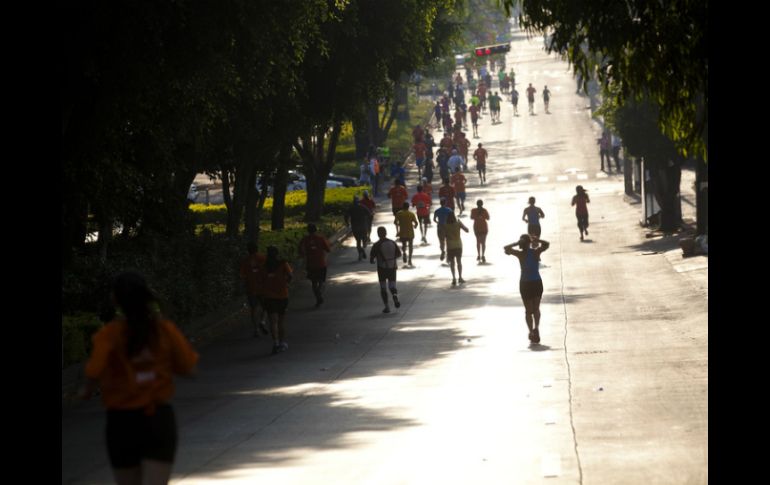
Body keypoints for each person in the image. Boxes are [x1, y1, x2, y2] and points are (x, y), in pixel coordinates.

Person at [79, 272, 199, 485]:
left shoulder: (109, 334)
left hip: (121, 422)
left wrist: (87, 390)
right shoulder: (164, 330)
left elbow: (94, 371)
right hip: (157, 419)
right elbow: (188, 368)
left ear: (115, 299)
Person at [504, 234, 551, 343]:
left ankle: (532, 330)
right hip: (535, 282)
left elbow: (506, 248)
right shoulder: (534, 252)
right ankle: (535, 328)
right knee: (535, 309)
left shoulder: (522, 254)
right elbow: (546, 244)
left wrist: (517, 243)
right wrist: (535, 240)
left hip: (526, 283)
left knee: (529, 311)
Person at [262, 246, 293, 354]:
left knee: (273, 322)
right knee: (281, 321)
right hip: (282, 295)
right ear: (277, 254)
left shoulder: (264, 266)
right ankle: (282, 343)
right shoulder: (283, 263)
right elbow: (290, 275)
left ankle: (275, 343)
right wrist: (286, 283)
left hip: (269, 297)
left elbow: (261, 280)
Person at [369, 226, 402, 313]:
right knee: (392, 286)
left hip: (382, 268)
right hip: (392, 267)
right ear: (386, 233)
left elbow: (371, 259)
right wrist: (391, 258)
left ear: (378, 234)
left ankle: (387, 307)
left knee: (383, 288)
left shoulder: (377, 245)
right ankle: (395, 296)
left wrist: (374, 260)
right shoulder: (392, 242)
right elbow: (399, 254)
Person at [298, 223, 331, 308]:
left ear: (308, 230)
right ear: (316, 230)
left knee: (313, 282)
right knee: (321, 281)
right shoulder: (321, 238)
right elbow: (328, 249)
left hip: (310, 264)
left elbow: (301, 252)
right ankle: (319, 292)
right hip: (321, 263)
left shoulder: (304, 240)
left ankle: (317, 296)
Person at [239, 241, 268, 337]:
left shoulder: (245, 261)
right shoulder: (263, 258)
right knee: (266, 306)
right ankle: (263, 321)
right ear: (257, 249)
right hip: (263, 287)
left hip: (251, 288)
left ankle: (256, 329)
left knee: (254, 309)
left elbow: (242, 276)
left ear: (248, 250)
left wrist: (243, 286)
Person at [444, 212, 469, 286]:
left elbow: (443, 236)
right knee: (459, 262)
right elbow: (467, 230)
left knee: (452, 263)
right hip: (458, 245)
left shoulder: (445, 226)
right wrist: (460, 223)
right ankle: (460, 277)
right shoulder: (458, 224)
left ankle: (454, 278)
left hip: (450, 246)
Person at [345, 196, 372, 260]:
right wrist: (368, 222)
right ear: (359, 201)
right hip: (363, 227)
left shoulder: (351, 208)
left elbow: (346, 216)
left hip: (355, 227)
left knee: (358, 241)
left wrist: (347, 223)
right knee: (364, 240)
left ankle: (360, 251)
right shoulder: (363, 207)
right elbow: (369, 214)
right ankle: (362, 249)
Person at [394, 202, 419, 267]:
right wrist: (415, 226)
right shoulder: (411, 214)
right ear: (408, 207)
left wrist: (399, 224)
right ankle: (410, 260)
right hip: (410, 233)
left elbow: (395, 222)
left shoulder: (399, 213)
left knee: (404, 245)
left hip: (402, 233)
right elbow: (416, 223)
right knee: (410, 246)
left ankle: (404, 253)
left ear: (403, 206)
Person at [433, 197, 454, 261]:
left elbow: (434, 219)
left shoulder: (437, 211)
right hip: (448, 227)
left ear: (440, 203)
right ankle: (448, 254)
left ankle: (442, 251)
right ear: (445, 203)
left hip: (440, 227)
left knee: (441, 241)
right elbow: (453, 219)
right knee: (448, 241)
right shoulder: (449, 210)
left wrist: (438, 222)